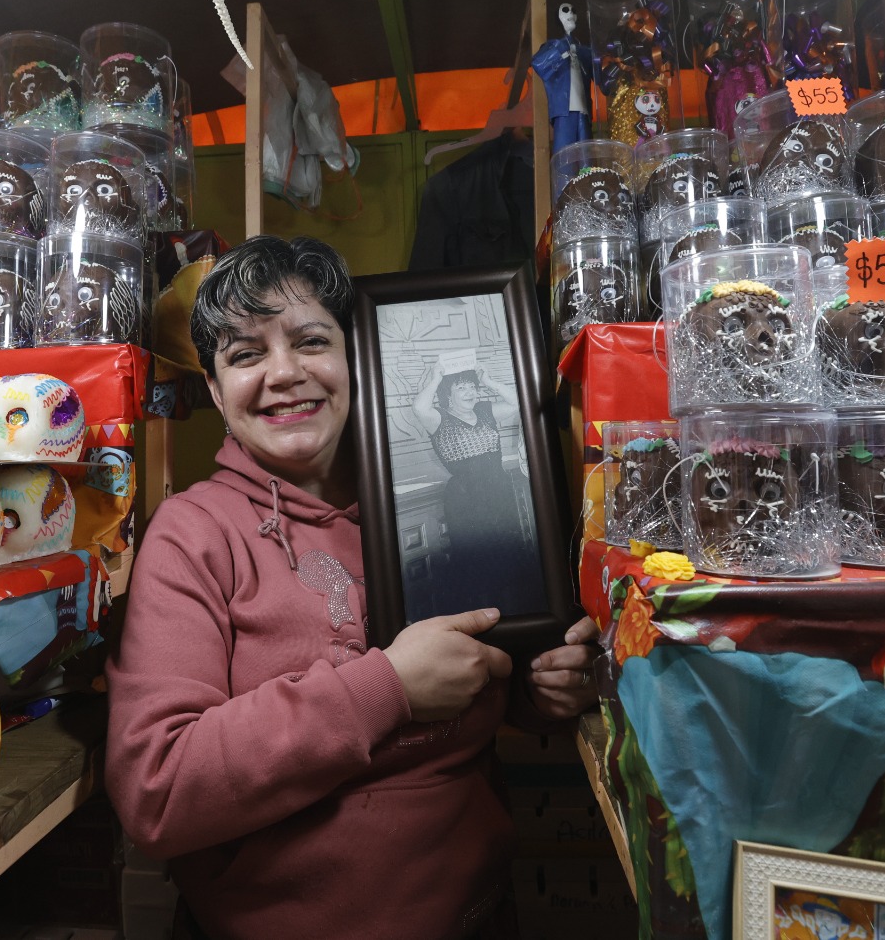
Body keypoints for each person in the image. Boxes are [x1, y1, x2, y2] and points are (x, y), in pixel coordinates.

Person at [106, 235, 598, 940]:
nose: (283, 374)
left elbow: (486, 670)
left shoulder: (445, 497)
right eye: (246, 355)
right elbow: (157, 789)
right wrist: (385, 688)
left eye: (310, 341)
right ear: (215, 389)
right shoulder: (194, 534)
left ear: (358, 357)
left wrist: (541, 687)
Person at [408, 361, 544, 619]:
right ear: (448, 393)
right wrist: (436, 378)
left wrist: (489, 381)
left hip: (499, 491)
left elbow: (519, 402)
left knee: (509, 552)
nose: (471, 393)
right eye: (463, 388)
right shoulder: (438, 418)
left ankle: (517, 614)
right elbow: (418, 407)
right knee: (476, 557)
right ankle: (485, 617)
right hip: (465, 499)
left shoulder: (485, 410)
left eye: (473, 387)